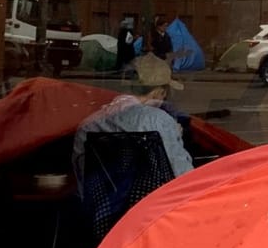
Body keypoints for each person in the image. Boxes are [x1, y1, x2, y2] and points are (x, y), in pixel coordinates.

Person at [72, 51, 196, 190]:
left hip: (104, 208)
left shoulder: (89, 124)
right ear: (160, 92)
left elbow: (82, 177)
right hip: (151, 206)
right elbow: (183, 177)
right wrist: (174, 134)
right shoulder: (159, 121)